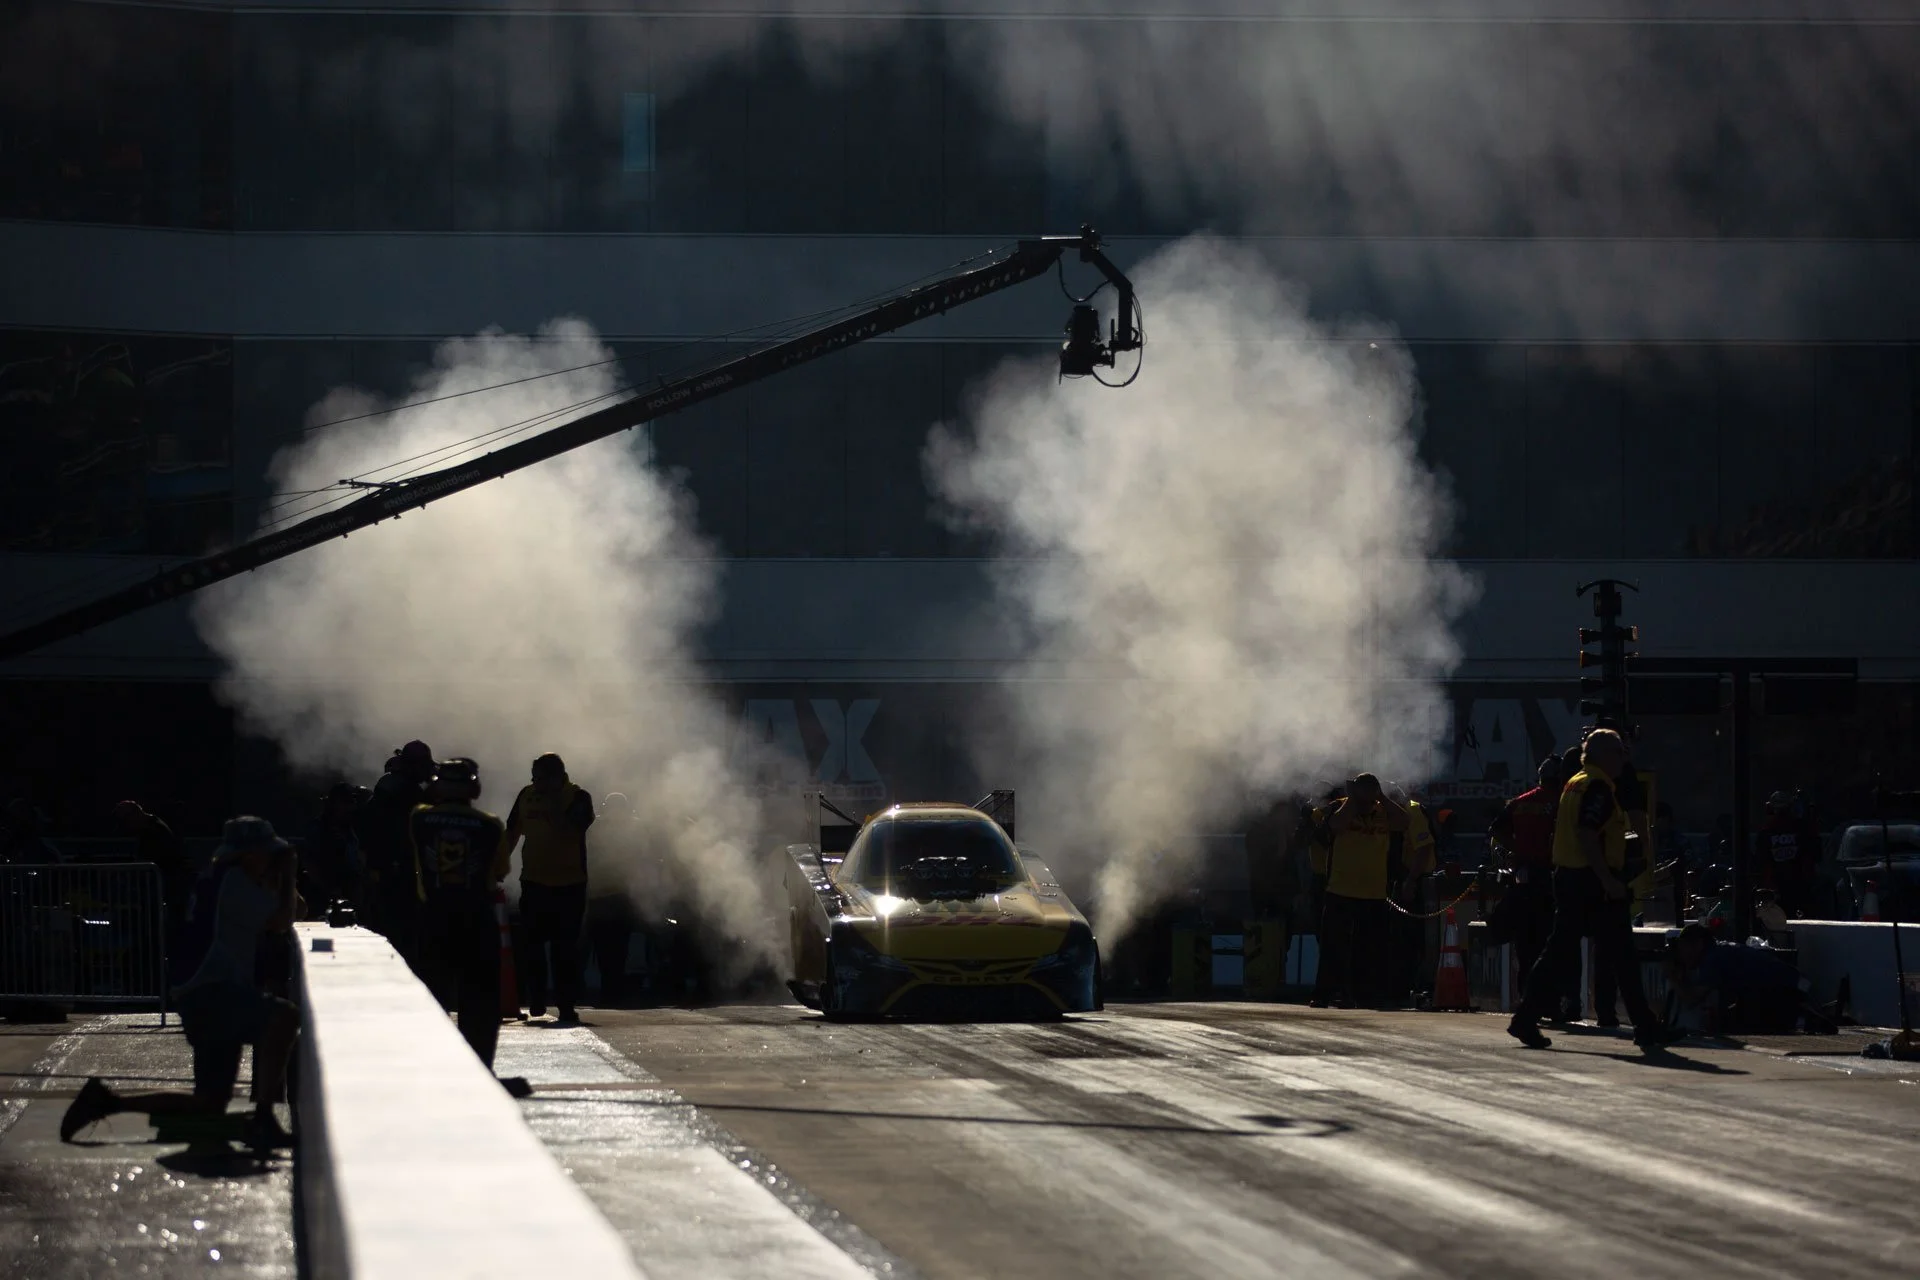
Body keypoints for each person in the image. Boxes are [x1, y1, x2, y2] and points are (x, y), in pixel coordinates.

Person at [59, 817, 299, 1151]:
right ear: (249, 854)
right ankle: (264, 1116)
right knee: (283, 1017)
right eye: (265, 854)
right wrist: (288, 875)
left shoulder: (217, 879)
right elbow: (284, 919)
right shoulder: (235, 882)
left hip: (201, 994)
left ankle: (108, 1101)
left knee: (208, 1103)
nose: (269, 860)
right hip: (214, 994)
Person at [1507, 730, 1681, 1051]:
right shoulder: (1598, 788)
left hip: (1573, 880)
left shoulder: (1576, 782)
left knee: (1580, 953)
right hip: (1592, 883)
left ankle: (1527, 1018)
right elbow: (1587, 834)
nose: (1623, 759)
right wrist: (1609, 880)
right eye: (1618, 752)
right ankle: (1644, 1027)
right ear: (1602, 755)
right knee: (1611, 955)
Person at [410, 758, 510, 1068]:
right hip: (476, 919)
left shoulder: (419, 819)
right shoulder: (490, 824)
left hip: (433, 918)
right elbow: (500, 872)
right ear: (474, 787)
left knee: (432, 996)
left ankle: (435, 1065)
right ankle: (479, 1066)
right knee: (480, 1001)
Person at [503, 753, 595, 1023]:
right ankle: (537, 998)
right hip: (533, 882)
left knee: (564, 948)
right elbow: (511, 832)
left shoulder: (578, 797)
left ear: (558, 777)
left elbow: (571, 830)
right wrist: (497, 867)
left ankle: (566, 1005)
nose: (535, 782)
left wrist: (553, 803)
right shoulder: (526, 795)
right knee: (532, 945)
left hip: (570, 884)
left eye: (541, 778)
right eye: (533, 777)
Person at [1310, 774, 1409, 1009]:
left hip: (1374, 892)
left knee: (1369, 949)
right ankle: (1325, 993)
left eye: (1370, 790)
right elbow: (1334, 826)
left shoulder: (1384, 811)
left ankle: (1363, 994)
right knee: (1334, 947)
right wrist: (1353, 799)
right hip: (1340, 889)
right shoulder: (1340, 807)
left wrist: (1381, 797)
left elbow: (1404, 823)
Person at [1487, 756, 1568, 989]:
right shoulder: (1561, 801)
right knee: (1549, 939)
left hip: (1523, 877)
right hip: (1550, 877)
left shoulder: (1520, 802)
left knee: (1525, 940)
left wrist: (1518, 849)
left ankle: (1526, 993)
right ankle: (1550, 997)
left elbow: (1497, 830)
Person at [1667, 923, 1833, 1034]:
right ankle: (1802, 1018)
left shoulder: (1711, 959)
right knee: (1731, 1017)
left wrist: (1674, 979)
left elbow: (1691, 1000)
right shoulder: (1719, 950)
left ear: (1699, 944)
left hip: (1783, 988)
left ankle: (1803, 1021)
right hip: (1787, 983)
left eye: (1684, 949)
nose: (1682, 955)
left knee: (1739, 1023)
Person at [355, 740, 435, 967]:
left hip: (391, 868)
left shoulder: (392, 787)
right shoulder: (405, 791)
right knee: (402, 932)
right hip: (397, 869)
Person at [114, 799, 193, 940]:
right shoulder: (153, 827)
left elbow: (153, 860)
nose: (127, 827)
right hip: (166, 885)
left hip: (167, 886)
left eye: (125, 821)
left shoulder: (153, 831)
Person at [303, 783, 368, 918]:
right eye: (345, 803)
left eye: (352, 802)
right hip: (325, 896)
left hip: (353, 891)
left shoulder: (353, 829)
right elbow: (312, 865)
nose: (350, 807)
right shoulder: (320, 830)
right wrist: (332, 890)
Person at [1757, 791, 1822, 918]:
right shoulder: (1802, 827)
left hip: (1785, 884)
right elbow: (1815, 853)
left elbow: (1762, 860)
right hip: (1796, 883)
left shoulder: (1766, 831)